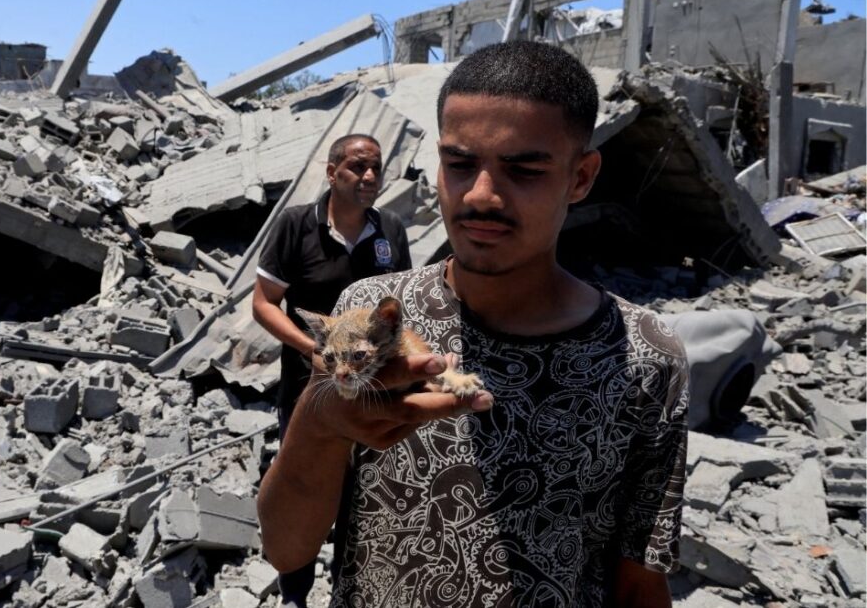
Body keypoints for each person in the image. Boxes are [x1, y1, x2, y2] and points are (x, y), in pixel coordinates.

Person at [257, 41, 689, 608]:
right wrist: (320, 425)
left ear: (580, 177)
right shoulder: (370, 315)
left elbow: (641, 582)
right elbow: (286, 550)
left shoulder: (646, 356)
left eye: (524, 169)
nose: (481, 195)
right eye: (460, 165)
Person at [252, 133, 412, 606]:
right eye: (357, 167)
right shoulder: (296, 226)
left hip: (373, 390)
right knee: (304, 491)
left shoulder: (392, 233)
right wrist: (313, 350)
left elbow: (396, 314)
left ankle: (349, 591)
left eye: (376, 169)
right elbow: (264, 304)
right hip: (310, 392)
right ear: (331, 172)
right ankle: (294, 594)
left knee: (362, 497)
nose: (368, 177)